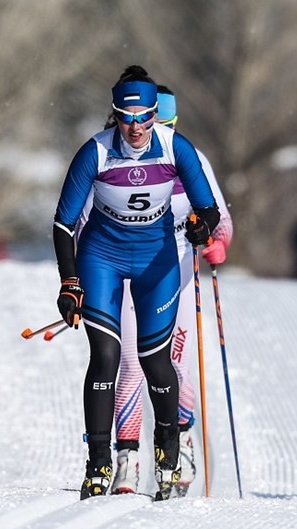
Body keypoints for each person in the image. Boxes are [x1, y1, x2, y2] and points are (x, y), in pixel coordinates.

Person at [53, 65, 220, 500]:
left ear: (154, 115)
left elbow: (210, 208)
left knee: (155, 361)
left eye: (145, 117)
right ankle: (99, 463)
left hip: (157, 260)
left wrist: (203, 227)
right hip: (102, 256)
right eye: (128, 118)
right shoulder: (95, 152)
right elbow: (63, 223)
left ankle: (168, 454)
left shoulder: (175, 147)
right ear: (115, 116)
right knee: (107, 355)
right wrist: (69, 282)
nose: (137, 127)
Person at [107, 85, 233, 497]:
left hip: (172, 277)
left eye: (165, 125)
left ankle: (182, 443)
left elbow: (221, 221)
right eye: (146, 123)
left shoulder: (189, 157)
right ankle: (127, 459)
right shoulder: (111, 156)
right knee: (129, 362)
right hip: (125, 274)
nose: (152, 134)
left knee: (169, 363)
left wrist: (216, 241)